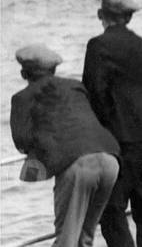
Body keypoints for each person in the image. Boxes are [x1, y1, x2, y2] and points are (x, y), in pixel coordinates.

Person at [11, 44, 121, 247]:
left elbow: (22, 141)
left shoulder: (22, 98)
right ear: (54, 69)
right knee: (85, 238)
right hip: (110, 159)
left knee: (66, 240)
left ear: (24, 73)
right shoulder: (75, 86)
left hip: (78, 167)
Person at [83, 0, 142, 247]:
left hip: (117, 144)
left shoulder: (98, 46)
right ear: (129, 17)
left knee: (112, 210)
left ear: (101, 14)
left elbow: (95, 92)